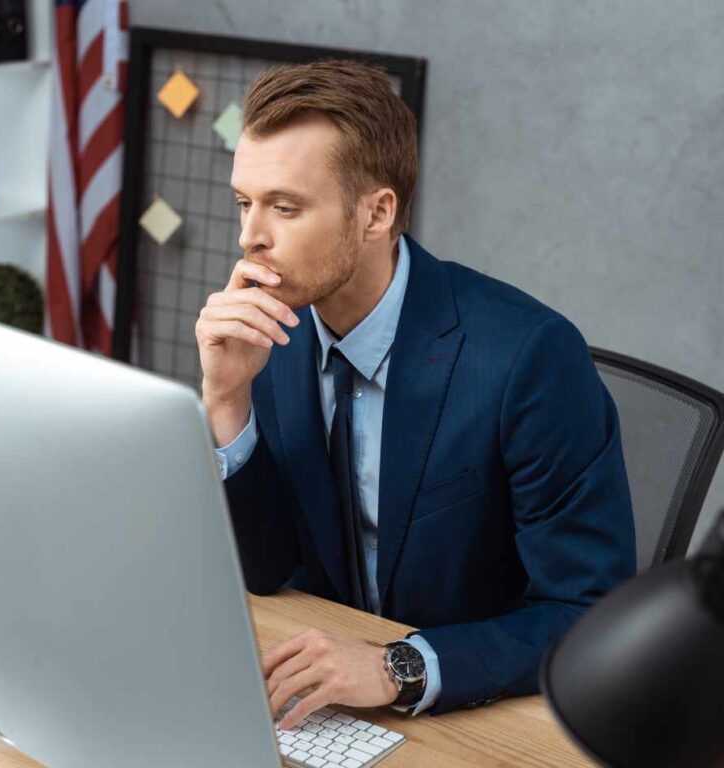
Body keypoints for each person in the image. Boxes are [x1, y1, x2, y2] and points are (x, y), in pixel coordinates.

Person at [195, 60, 636, 728]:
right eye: (244, 202)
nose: (250, 236)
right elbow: (268, 567)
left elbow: (591, 613)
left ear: (376, 213)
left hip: (476, 714)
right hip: (325, 703)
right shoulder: (272, 332)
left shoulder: (529, 358)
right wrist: (228, 400)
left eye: (285, 207)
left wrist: (398, 667)